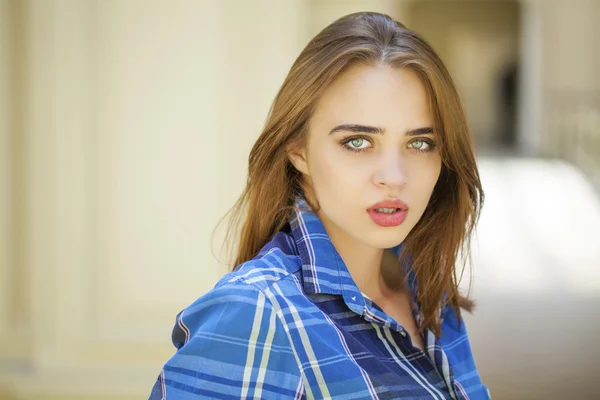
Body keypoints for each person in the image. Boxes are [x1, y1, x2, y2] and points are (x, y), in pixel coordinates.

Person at [149, 11, 490, 400]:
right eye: (358, 142)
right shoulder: (258, 313)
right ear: (299, 151)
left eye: (419, 143)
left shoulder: (430, 295)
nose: (394, 177)